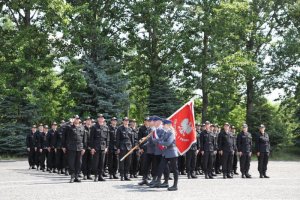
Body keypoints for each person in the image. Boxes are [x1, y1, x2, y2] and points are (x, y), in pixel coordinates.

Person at [151, 119, 179, 191]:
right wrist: (153, 139)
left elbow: (168, 143)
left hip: (172, 152)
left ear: (168, 125)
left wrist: (160, 142)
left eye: (164, 124)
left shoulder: (171, 133)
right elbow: (160, 139)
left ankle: (175, 185)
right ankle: (158, 181)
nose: (163, 126)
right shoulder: (165, 132)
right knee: (161, 166)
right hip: (166, 153)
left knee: (174, 169)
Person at [62, 115, 87, 183]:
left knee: (79, 163)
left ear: (79, 120)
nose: (76, 120)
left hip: (80, 147)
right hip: (71, 147)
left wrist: (84, 148)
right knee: (71, 162)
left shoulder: (82, 127)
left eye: (78, 119)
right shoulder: (69, 127)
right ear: (73, 119)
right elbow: (64, 134)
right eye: (75, 119)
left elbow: (84, 138)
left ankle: (76, 176)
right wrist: (63, 146)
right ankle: (72, 176)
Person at [90, 114, 110, 182]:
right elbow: (91, 138)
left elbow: (107, 138)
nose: (101, 119)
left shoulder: (106, 127)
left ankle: (100, 176)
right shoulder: (94, 127)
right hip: (96, 147)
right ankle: (96, 175)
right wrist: (92, 148)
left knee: (102, 162)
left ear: (104, 119)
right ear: (98, 119)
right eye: (100, 118)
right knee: (96, 162)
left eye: (102, 118)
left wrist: (107, 147)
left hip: (103, 147)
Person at [138, 117, 155, 185]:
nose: (148, 122)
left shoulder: (151, 129)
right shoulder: (141, 129)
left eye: (149, 121)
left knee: (151, 164)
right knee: (144, 164)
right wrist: (141, 148)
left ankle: (149, 176)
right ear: (144, 121)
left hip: (151, 149)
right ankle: (144, 178)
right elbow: (139, 139)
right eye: (146, 121)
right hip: (144, 149)